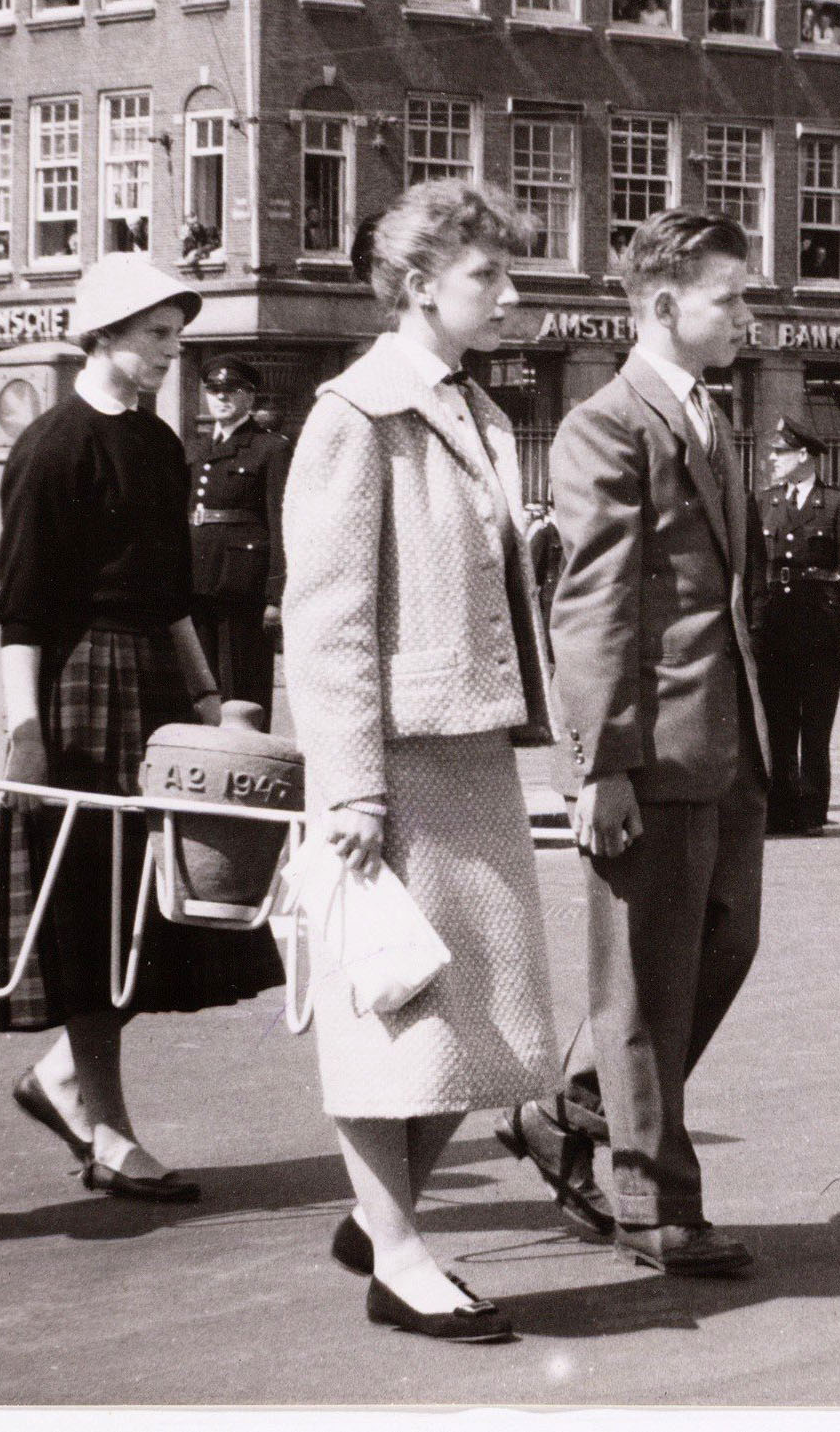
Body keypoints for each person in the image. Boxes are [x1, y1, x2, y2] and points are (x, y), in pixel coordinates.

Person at [283, 180, 558, 1339]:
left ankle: (378, 1211)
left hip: (472, 738)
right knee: (391, 1010)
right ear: (416, 285)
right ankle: (395, 1250)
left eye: (507, 273)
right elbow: (328, 612)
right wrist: (347, 783)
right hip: (392, 756)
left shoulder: (474, 408)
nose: (510, 294)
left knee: (495, 1016)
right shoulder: (358, 412)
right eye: (487, 275)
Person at [502, 205, 767, 1281]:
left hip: (721, 740)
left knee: (723, 949)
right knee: (645, 985)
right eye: (731, 297)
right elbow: (594, 607)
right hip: (649, 747)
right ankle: (652, 1202)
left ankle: (571, 1104)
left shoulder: (705, 412)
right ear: (664, 306)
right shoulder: (605, 425)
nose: (749, 315)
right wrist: (598, 763)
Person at [0, 252, 285, 1208]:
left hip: (152, 686)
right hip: (77, 687)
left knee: (152, 908)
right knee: (89, 910)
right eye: (157, 335)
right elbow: (21, 610)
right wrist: (26, 726)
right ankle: (108, 1133)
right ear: (107, 333)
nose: (171, 353)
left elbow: (170, 601)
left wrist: (207, 701)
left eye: (175, 336)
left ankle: (66, 1081)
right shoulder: (50, 447)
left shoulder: (160, 447)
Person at [755, 414, 840, 835]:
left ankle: (811, 812)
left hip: (819, 629)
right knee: (778, 726)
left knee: (815, 732)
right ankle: (780, 810)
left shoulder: (837, 504)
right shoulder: (764, 502)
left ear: (804, 455)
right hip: (776, 629)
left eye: (780, 452)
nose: (773, 459)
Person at [186, 355, 290, 715]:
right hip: (197, 581)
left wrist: (276, 594)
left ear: (250, 396)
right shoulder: (197, 448)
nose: (221, 397)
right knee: (202, 686)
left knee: (241, 687)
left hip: (243, 585)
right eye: (214, 390)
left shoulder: (270, 448)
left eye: (232, 390)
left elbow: (280, 522)